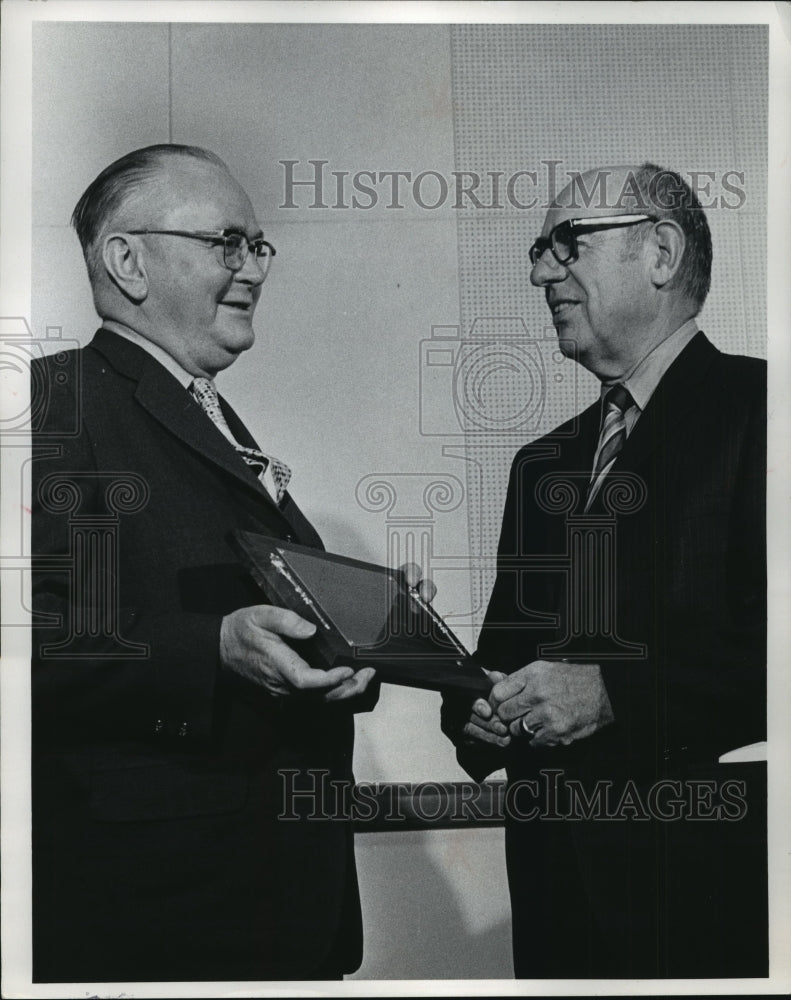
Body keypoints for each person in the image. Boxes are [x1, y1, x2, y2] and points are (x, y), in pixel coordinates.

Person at [30, 143, 421, 982]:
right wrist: (210, 649)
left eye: (257, 246)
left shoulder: (208, 420)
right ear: (126, 260)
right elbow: (23, 645)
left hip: (270, 906)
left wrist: (365, 632)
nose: (252, 269)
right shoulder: (48, 407)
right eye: (225, 243)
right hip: (153, 922)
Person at [443, 163, 767, 978]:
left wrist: (615, 693)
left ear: (660, 252)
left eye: (567, 243)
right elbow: (503, 660)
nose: (538, 270)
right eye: (539, 249)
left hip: (713, 905)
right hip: (559, 905)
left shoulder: (766, 413)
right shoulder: (538, 464)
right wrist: (474, 708)